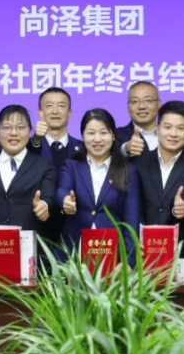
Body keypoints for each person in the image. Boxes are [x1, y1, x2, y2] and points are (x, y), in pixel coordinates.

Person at [0, 105, 57, 275]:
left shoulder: (45, 166)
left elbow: (49, 197)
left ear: (30, 131)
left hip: (34, 261)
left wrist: (44, 206)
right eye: (7, 127)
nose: (13, 133)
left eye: (20, 127)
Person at [56, 109, 141, 264]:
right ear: (82, 136)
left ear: (113, 136)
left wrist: (128, 261)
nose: (97, 139)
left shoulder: (128, 170)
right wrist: (65, 201)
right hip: (73, 254)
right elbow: (62, 189)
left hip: (113, 255)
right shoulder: (71, 165)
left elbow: (131, 220)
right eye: (91, 133)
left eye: (103, 133)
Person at [136, 100, 184, 228]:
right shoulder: (138, 164)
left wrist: (183, 211)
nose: (173, 134)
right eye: (167, 127)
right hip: (142, 239)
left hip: (180, 240)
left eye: (180, 128)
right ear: (158, 128)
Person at [29, 87, 82, 167]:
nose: (55, 111)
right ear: (39, 112)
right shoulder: (28, 147)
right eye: (49, 106)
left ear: (69, 113)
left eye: (61, 106)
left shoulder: (83, 148)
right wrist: (35, 140)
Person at [118, 81, 160, 157]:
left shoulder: (171, 134)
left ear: (159, 104)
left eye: (148, 100)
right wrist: (126, 149)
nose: (141, 107)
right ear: (128, 106)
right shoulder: (117, 135)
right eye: (135, 101)